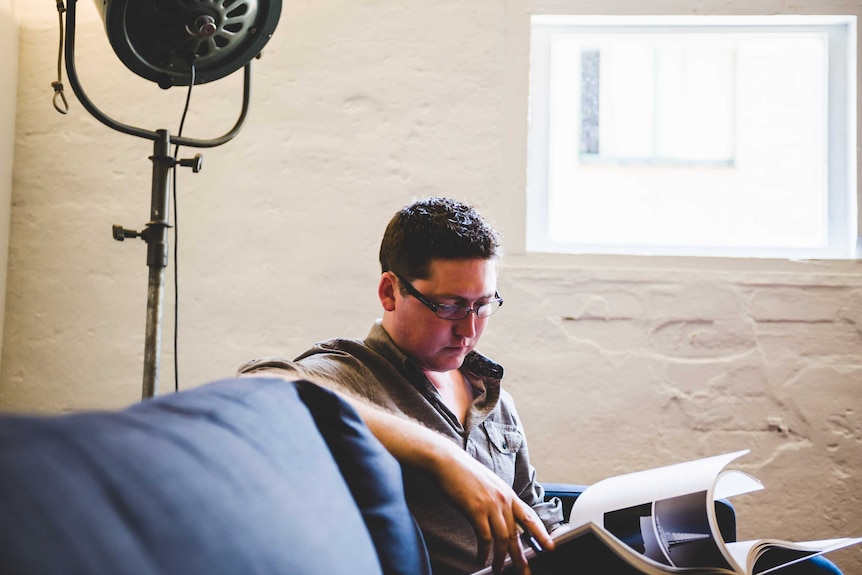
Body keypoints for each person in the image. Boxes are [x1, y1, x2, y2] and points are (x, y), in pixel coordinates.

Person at [239, 196, 561, 575]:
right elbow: (260, 387)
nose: (469, 330)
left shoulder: (492, 396)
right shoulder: (353, 375)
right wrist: (443, 456)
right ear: (389, 292)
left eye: (483, 305)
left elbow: (533, 511)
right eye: (450, 306)